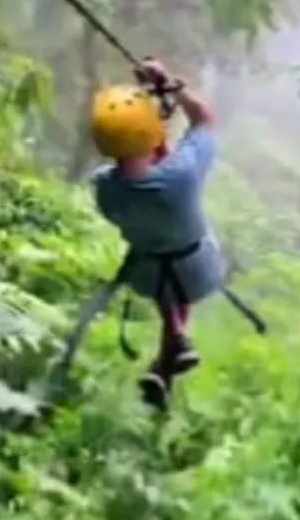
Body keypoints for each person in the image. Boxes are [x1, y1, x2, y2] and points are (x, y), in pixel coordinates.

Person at [88, 57, 226, 409]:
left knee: (159, 254)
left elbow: (141, 172)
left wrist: (151, 127)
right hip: (196, 268)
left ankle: (168, 356)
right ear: (150, 134)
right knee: (182, 260)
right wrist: (170, 86)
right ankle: (171, 351)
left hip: (149, 273)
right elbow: (206, 120)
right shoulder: (182, 176)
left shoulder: (105, 188)